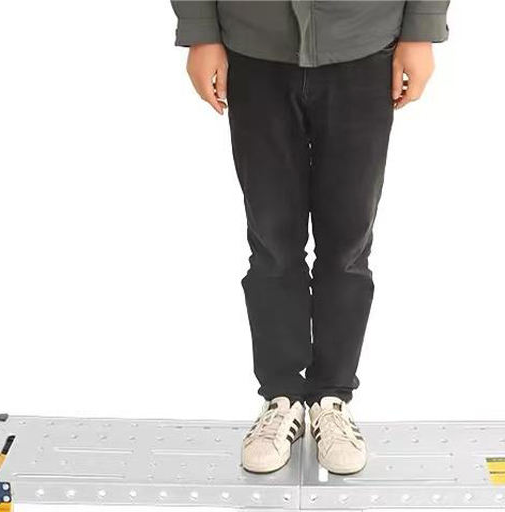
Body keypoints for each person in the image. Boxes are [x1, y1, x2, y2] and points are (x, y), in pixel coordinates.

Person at [171, 1, 449, 474]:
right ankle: (281, 397)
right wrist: (201, 31)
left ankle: (331, 398)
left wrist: (420, 30)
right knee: (272, 240)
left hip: (363, 44)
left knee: (348, 243)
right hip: (254, 45)